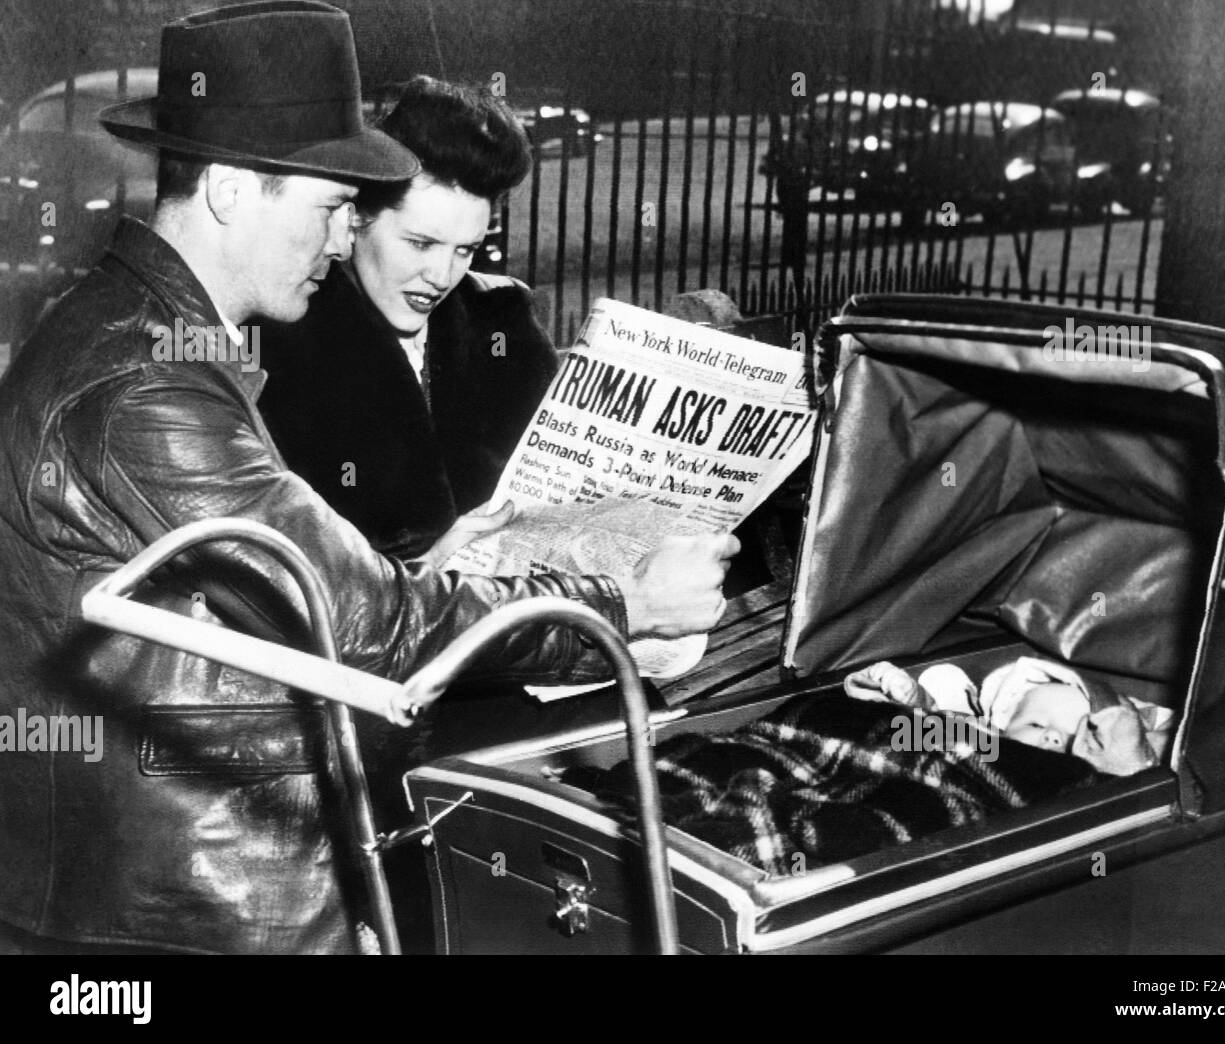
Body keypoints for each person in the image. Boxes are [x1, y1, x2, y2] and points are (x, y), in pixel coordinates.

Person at [0, 1, 737, 955]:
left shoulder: (131, 332)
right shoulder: (144, 384)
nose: (347, 241)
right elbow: (363, 626)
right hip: (192, 901)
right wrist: (621, 606)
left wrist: (426, 571)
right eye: (332, 209)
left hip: (159, 872)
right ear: (231, 188)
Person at [258, 77, 547, 560]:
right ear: (355, 219)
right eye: (420, 243)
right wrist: (428, 567)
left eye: (465, 250)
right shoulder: (278, 341)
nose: (440, 276)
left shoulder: (501, 320)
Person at [845, 656, 1174, 776]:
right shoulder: (988, 740)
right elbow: (925, 726)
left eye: (1076, 736)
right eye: (1036, 724)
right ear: (1002, 728)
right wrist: (903, 695)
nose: (1055, 736)